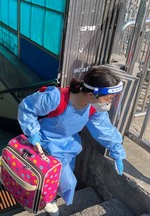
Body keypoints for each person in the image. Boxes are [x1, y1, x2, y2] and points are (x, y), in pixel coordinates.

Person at [17, 66, 126, 216]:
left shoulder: (93, 108)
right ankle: (47, 201)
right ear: (91, 94)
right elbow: (27, 108)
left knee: (58, 179)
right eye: (108, 99)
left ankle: (49, 197)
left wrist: (116, 150)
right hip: (45, 145)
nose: (109, 103)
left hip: (68, 146)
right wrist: (33, 132)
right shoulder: (56, 98)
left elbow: (104, 130)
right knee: (67, 181)